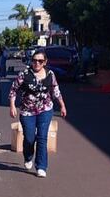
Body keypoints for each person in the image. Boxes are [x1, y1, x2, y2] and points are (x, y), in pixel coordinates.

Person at [9, 51, 67, 179]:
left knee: (42, 138)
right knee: (29, 138)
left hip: (45, 110)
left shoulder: (50, 74)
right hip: (27, 111)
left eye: (40, 61)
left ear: (45, 62)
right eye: (35, 60)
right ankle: (28, 156)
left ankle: (41, 166)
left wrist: (62, 105)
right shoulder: (24, 74)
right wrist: (12, 106)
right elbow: (13, 89)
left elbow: (56, 90)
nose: (37, 63)